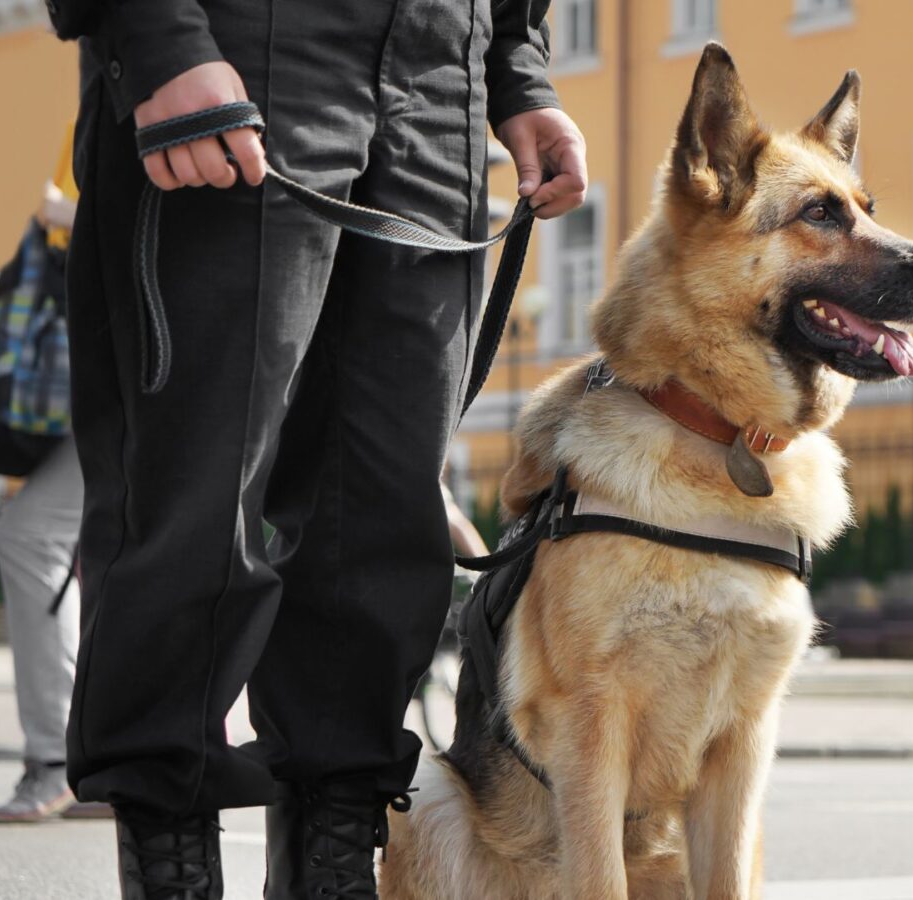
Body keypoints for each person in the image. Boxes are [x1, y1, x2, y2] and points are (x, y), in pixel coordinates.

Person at [45, 1, 586, 897]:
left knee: (381, 505)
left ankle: (330, 851)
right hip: (243, 49)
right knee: (199, 494)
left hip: (438, 74)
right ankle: (168, 846)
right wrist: (158, 38)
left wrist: (516, 69)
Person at [0, 174, 109, 825]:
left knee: (29, 533)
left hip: (147, 367)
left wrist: (66, 212)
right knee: (136, 545)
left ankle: (66, 760)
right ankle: (127, 761)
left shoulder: (156, 77)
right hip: (131, 366)